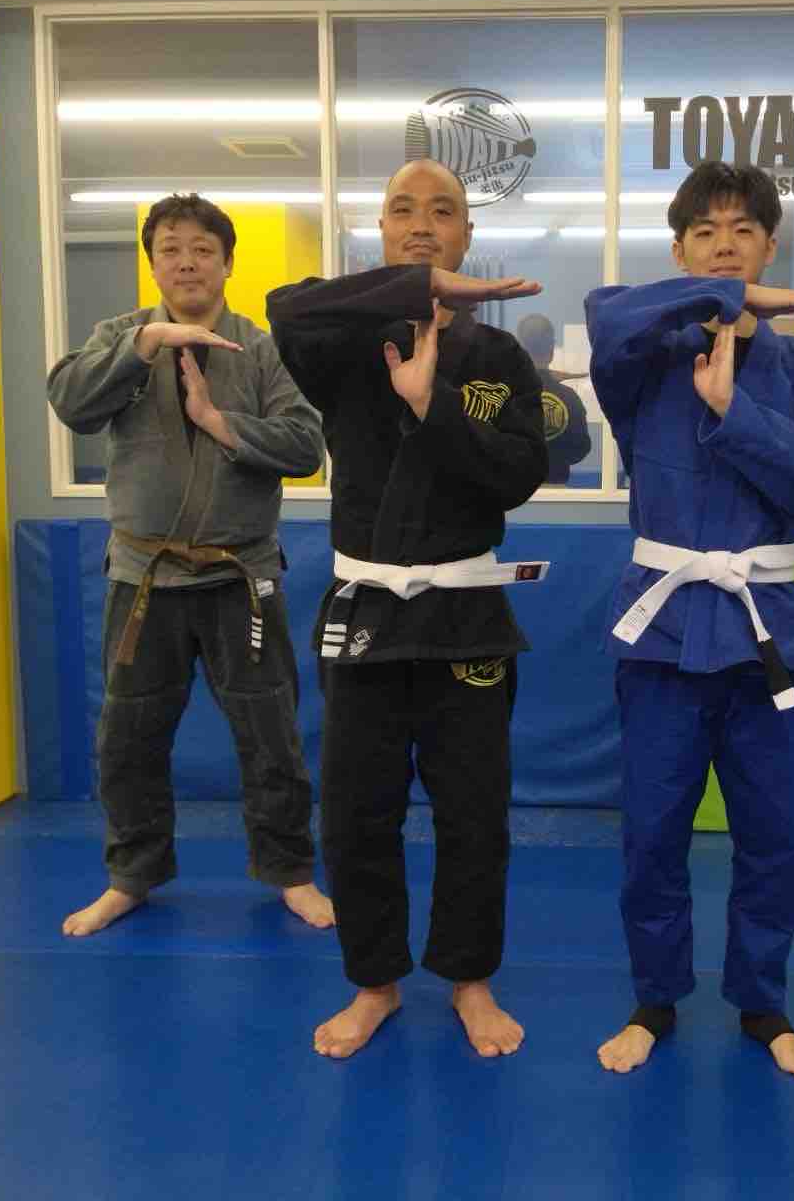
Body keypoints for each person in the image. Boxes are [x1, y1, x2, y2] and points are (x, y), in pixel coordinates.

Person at [265, 159, 548, 1060]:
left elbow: (520, 473)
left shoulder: (499, 358)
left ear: (468, 233)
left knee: (474, 812)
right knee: (356, 813)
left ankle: (470, 979)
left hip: (467, 615)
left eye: (443, 211)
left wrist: (435, 409)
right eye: (403, 209)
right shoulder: (345, 340)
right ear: (382, 234)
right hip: (368, 612)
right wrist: (409, 291)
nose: (422, 222)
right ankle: (375, 983)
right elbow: (282, 307)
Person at [585, 162, 794, 1081]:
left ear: (772, 245)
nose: (725, 244)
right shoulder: (644, 360)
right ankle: (654, 1000)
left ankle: (764, 1005)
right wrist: (724, 303)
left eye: (743, 230)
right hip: (661, 639)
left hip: (765, 633)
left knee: (776, 837)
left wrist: (733, 410)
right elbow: (604, 314)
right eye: (705, 231)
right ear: (680, 251)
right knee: (652, 833)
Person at [47, 193, 333, 936]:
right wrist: (143, 347)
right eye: (170, 249)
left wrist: (218, 422)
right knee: (128, 738)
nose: (186, 262)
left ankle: (291, 872)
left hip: (242, 577)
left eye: (203, 249)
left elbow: (306, 445)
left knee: (271, 735)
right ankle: (131, 876)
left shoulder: (260, 348)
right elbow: (71, 403)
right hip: (143, 577)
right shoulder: (119, 338)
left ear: (227, 263)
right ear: (152, 264)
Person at [516, 313, 592, 484]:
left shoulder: (506, 395)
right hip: (556, 489)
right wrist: (555, 454)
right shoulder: (569, 397)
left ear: (519, 350)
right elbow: (580, 448)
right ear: (551, 352)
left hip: (515, 488)